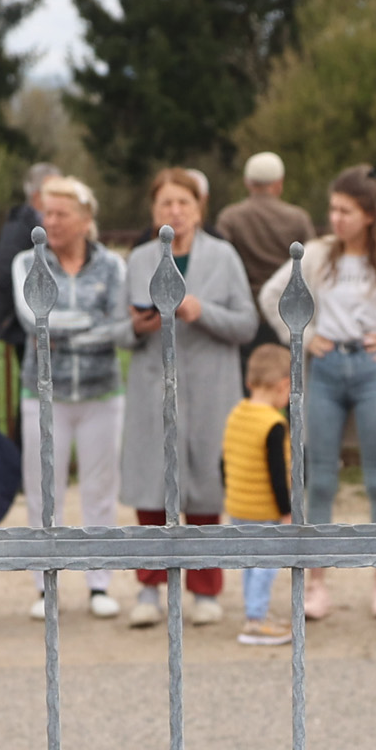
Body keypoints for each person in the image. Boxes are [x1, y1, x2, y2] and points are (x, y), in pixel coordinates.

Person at [273, 166, 376, 621]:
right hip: (324, 368)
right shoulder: (317, 255)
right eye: (333, 209)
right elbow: (272, 296)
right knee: (319, 475)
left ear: (367, 214)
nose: (335, 218)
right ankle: (316, 582)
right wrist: (301, 336)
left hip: (372, 370)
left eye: (345, 210)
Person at [119, 168, 258, 627]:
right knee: (151, 487)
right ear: (153, 211)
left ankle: (204, 589)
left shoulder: (224, 256)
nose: (175, 212)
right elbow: (118, 327)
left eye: (184, 203)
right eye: (166, 204)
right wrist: (136, 326)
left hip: (209, 384)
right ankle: (148, 587)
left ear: (200, 209)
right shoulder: (138, 258)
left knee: (204, 486)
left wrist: (204, 310)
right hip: (152, 384)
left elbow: (247, 324)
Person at [11, 173, 128, 622]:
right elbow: (33, 318)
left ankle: (100, 583)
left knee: (101, 489)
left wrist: (65, 329)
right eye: (47, 213)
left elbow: (118, 326)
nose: (51, 222)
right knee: (44, 491)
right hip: (42, 394)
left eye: (61, 213)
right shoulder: (27, 262)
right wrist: (87, 326)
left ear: (85, 219)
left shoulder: (113, 265)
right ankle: (46, 584)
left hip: (102, 391)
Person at [224, 338, 297, 644]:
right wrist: (286, 510)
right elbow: (277, 474)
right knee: (266, 566)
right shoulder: (273, 423)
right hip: (264, 510)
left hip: (238, 505)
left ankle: (255, 613)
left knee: (248, 564)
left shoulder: (238, 413)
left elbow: (225, 458)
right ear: (282, 385)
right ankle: (255, 621)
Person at [0, 162, 53, 378]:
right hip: (22, 322)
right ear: (36, 195)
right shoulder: (19, 227)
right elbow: (7, 275)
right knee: (35, 378)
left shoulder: (37, 222)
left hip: (37, 316)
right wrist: (19, 318)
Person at [215, 150, 313, 287]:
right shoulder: (298, 218)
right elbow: (312, 262)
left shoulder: (230, 217)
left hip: (245, 298)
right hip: (286, 300)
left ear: (247, 182)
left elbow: (219, 260)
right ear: (280, 183)